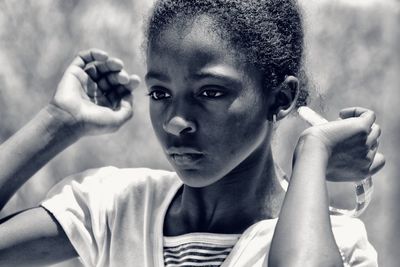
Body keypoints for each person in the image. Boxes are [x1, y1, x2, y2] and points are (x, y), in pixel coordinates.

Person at [0, 0, 385, 266]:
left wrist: (313, 154)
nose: (175, 121)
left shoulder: (332, 238)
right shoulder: (116, 208)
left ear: (280, 98)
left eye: (210, 93)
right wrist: (57, 122)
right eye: (160, 94)